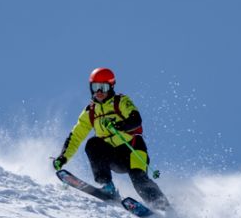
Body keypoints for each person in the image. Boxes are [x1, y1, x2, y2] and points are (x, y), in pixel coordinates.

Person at [53, 67, 170, 210]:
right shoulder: (90, 112)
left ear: (111, 86)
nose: (99, 92)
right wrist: (63, 157)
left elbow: (136, 119)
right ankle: (107, 187)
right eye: (96, 87)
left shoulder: (120, 101)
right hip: (114, 157)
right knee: (93, 143)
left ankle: (163, 208)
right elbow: (76, 136)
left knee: (138, 179)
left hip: (133, 150)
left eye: (104, 87)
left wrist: (121, 125)